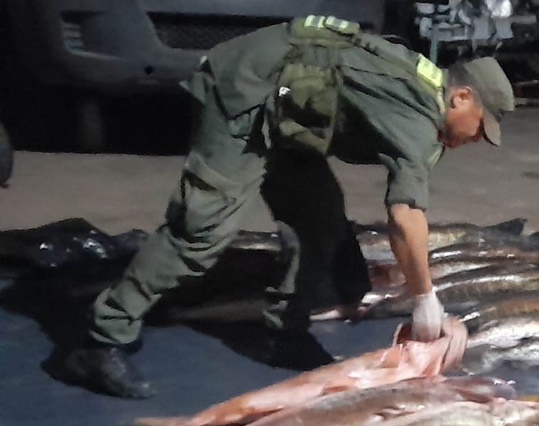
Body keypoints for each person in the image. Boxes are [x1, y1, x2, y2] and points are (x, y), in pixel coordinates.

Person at [57, 15, 515, 399]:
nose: (475, 139)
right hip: (245, 95)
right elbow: (405, 216)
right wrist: (424, 296)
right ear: (461, 98)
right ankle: (99, 341)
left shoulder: (424, 92)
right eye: (478, 128)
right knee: (201, 232)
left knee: (320, 219)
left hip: (289, 116)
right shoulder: (415, 117)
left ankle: (285, 332)